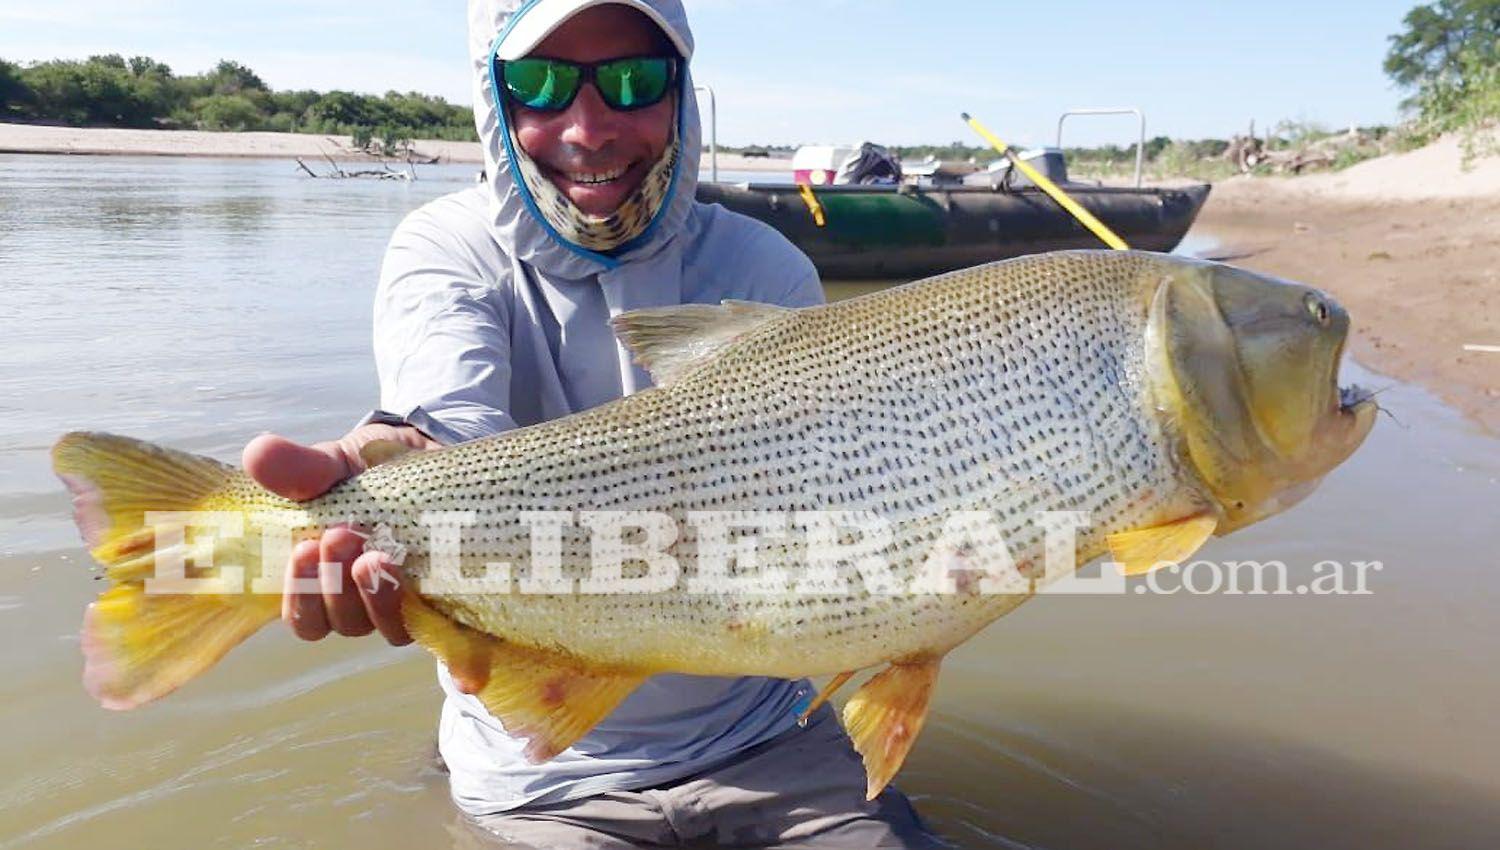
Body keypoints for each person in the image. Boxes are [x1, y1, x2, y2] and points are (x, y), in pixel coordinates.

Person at [243, 1, 945, 846]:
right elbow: (449, 424)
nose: (588, 128)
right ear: (494, 99)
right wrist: (395, 464)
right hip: (540, 770)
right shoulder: (444, 248)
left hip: (768, 739)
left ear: (679, 92)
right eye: (539, 84)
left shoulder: (765, 267)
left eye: (632, 80)